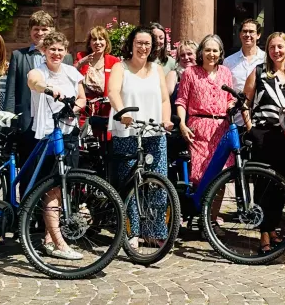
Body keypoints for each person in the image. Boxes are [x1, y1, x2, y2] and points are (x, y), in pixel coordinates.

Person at [243, 32, 285, 253]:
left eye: (280, 47)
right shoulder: (260, 72)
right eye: (272, 47)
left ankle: (272, 226)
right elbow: (245, 102)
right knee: (264, 185)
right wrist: (250, 129)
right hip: (264, 134)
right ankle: (264, 232)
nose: (276, 51)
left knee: (283, 185)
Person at [108, 26, 174, 249]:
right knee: (130, 183)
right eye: (139, 43)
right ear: (131, 44)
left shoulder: (156, 70)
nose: (143, 47)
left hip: (154, 132)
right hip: (128, 131)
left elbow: (165, 99)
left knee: (157, 183)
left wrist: (166, 120)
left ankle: (154, 232)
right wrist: (122, 111)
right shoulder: (121, 67)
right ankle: (131, 231)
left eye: (147, 44)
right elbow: (113, 92)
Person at [26, 31, 87, 260]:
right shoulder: (39, 71)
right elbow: (33, 82)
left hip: (68, 134)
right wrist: (49, 89)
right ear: (44, 51)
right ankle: (59, 242)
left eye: (61, 49)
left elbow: (82, 98)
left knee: (62, 187)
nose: (57, 53)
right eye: (52, 49)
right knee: (51, 188)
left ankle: (49, 239)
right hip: (47, 134)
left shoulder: (72, 73)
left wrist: (74, 109)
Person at [4, 11, 72, 193]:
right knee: (28, 170)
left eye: (44, 29)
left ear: (52, 30)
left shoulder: (65, 57)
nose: (40, 33)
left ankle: (46, 216)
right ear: (30, 31)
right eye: (36, 29)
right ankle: (26, 217)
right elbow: (11, 91)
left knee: (52, 170)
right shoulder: (19, 56)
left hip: (54, 121)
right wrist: (10, 121)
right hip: (28, 122)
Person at [176, 34, 235, 186]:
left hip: (221, 129)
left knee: (222, 175)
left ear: (220, 53)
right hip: (198, 129)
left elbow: (230, 98)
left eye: (215, 51)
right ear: (201, 52)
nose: (211, 54)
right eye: (207, 50)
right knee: (200, 175)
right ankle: (199, 209)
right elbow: (181, 100)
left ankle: (213, 211)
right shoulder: (190, 73)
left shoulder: (225, 72)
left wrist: (231, 105)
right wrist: (182, 123)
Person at [74, 26, 120, 135]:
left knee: (105, 143)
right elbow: (70, 75)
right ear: (89, 42)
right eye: (94, 39)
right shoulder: (81, 56)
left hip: (105, 109)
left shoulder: (113, 61)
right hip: (85, 110)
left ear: (106, 42)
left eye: (101, 39)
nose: (97, 42)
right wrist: (81, 63)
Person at [224, 18, 266, 96]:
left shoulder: (266, 59)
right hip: (236, 105)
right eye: (244, 31)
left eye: (251, 32)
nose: (247, 35)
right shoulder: (228, 62)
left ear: (258, 35)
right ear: (240, 35)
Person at [166, 40, 198, 104]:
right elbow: (164, 99)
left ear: (196, 55)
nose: (186, 57)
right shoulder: (174, 75)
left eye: (189, 54)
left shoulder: (203, 74)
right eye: (182, 55)